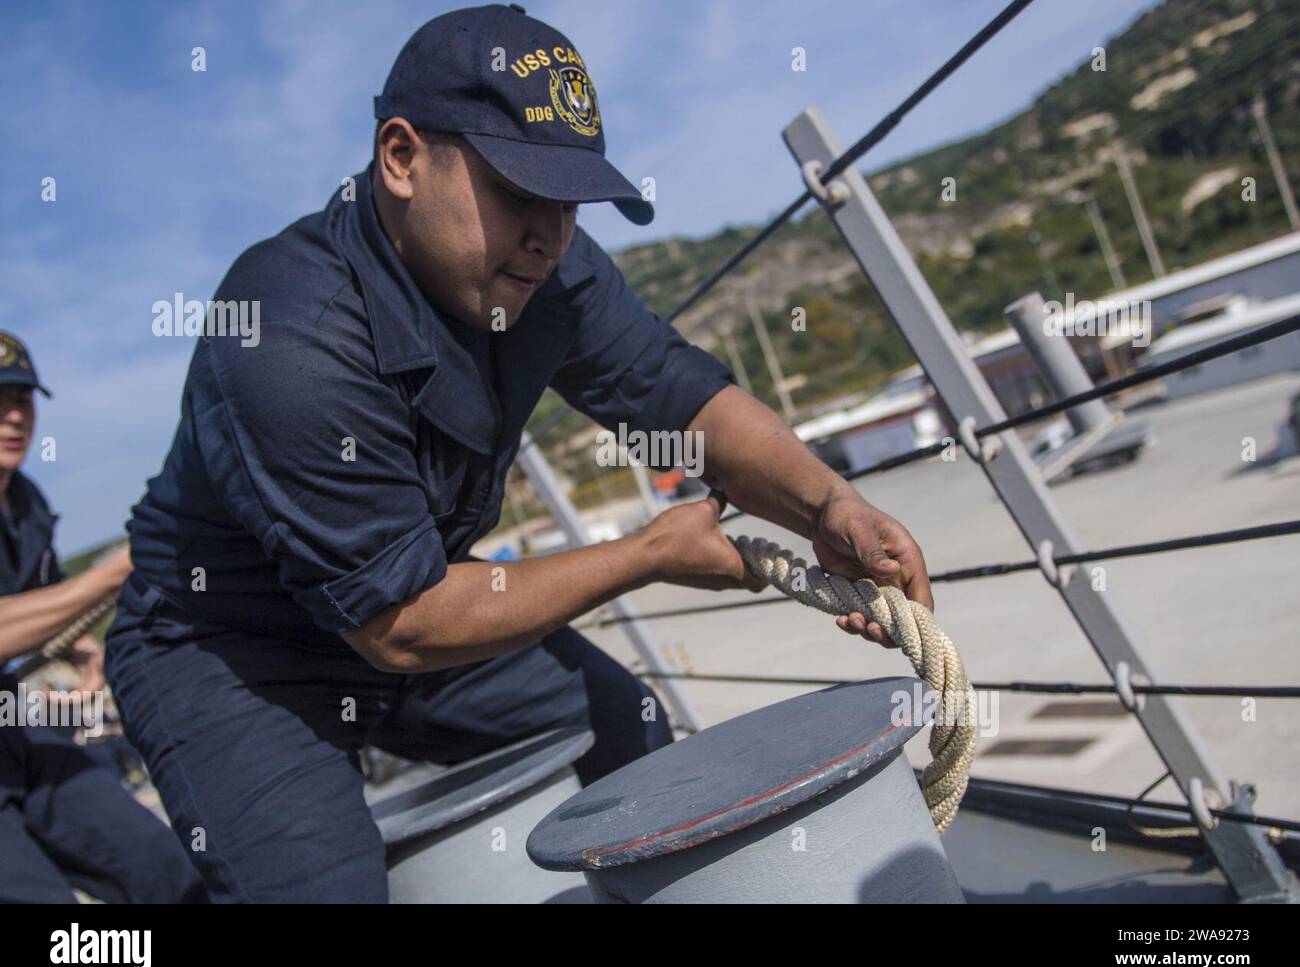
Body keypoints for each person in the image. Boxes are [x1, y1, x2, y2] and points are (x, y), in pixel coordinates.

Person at [105, 3, 932, 903]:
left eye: (569, 201)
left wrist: (828, 506)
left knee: (634, 733)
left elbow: (677, 393)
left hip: (408, 605)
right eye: (517, 191)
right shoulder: (285, 330)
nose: (551, 231)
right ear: (401, 158)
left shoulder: (550, 271)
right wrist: (645, 554)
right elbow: (403, 623)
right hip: (234, 653)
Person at [0, 330, 206, 903]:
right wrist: (111, 574)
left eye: (22, 398)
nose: (13, 417)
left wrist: (82, 647)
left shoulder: (26, 501)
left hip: (16, 731)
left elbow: (37, 596)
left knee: (167, 872)